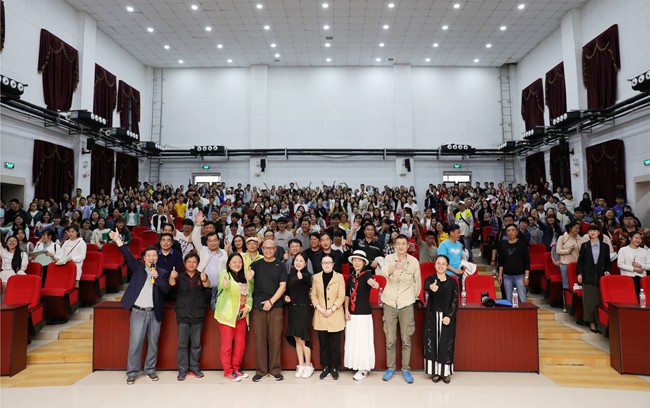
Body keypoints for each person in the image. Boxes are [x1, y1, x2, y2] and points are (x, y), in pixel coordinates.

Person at [109, 228, 171, 385]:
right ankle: (132, 372)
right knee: (135, 343)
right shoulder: (138, 268)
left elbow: (166, 289)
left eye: (154, 255)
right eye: (148, 256)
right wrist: (118, 240)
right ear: (144, 258)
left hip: (155, 313)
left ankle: (150, 370)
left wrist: (157, 278)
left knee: (153, 343)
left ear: (157, 257)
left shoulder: (162, 272)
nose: (151, 258)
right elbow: (127, 255)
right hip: (138, 312)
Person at [378, 234, 421, 384]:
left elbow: (417, 284)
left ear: (408, 246)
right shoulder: (389, 259)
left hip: (406, 304)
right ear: (395, 245)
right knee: (390, 339)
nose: (401, 246)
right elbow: (383, 274)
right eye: (398, 244)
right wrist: (393, 268)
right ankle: (390, 368)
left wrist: (410, 298)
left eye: (404, 244)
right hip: (389, 303)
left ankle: (406, 370)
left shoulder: (414, 262)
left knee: (406, 339)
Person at [169, 253, 210, 381]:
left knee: (196, 344)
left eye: (194, 262)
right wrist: (171, 277)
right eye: (189, 261)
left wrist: (204, 279)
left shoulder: (201, 275)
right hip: (183, 314)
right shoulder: (179, 276)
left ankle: (194, 367)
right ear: (185, 263)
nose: (191, 264)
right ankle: (182, 369)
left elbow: (207, 285)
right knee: (182, 344)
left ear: (198, 264)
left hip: (198, 314)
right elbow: (171, 285)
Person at [250, 239, 287, 382]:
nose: (268, 250)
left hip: (276, 306)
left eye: (271, 248)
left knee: (275, 338)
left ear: (275, 249)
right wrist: (248, 277)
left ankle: (275, 370)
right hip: (258, 306)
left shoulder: (281, 265)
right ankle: (261, 371)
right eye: (265, 248)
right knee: (260, 338)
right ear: (262, 249)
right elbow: (247, 280)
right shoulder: (255, 265)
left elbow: (282, 286)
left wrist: (271, 302)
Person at [215, 253, 254, 381]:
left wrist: (247, 307)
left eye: (239, 262)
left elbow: (250, 296)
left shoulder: (245, 276)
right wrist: (224, 283)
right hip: (227, 315)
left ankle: (236, 368)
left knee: (240, 344)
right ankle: (228, 371)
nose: (237, 264)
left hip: (242, 314)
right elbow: (223, 284)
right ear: (229, 263)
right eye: (234, 262)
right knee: (227, 345)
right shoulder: (225, 274)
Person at [344, 250, 380, 381]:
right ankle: (355, 364)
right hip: (352, 313)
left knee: (363, 341)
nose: (357, 263)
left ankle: (364, 368)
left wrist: (374, 284)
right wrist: (346, 310)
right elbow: (347, 295)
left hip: (364, 313)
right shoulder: (351, 277)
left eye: (359, 260)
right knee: (353, 340)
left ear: (364, 263)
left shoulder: (367, 274)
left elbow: (371, 281)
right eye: (355, 260)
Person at [423, 255, 458, 384]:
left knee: (445, 344)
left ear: (447, 266)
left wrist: (449, 316)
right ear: (434, 264)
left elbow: (455, 300)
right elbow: (426, 287)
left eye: (444, 264)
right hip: (432, 317)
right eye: (438, 263)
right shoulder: (430, 279)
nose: (441, 266)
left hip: (446, 317)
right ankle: (436, 372)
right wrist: (431, 288)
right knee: (433, 343)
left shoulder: (452, 281)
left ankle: (445, 372)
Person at [311, 254, 345, 380]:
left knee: (335, 344)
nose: (327, 265)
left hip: (335, 314)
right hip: (321, 314)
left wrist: (332, 309)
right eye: (324, 263)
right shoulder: (316, 277)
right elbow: (314, 295)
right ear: (321, 264)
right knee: (323, 344)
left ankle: (334, 367)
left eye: (329, 262)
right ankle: (325, 366)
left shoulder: (339, 277)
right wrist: (319, 308)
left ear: (333, 264)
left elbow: (341, 296)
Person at [283, 253, 314, 379]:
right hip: (293, 308)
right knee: (296, 337)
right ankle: (301, 364)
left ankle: (308, 365)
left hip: (303, 308)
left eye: (301, 261)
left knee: (303, 337)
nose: (298, 263)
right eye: (296, 260)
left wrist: (302, 277)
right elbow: (288, 291)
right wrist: (286, 297)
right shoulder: (290, 275)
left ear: (305, 263)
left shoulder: (307, 275)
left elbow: (307, 284)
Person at [577, 225, 611, 333]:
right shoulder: (585, 245)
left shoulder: (605, 246)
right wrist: (579, 273)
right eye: (590, 231)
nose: (592, 232)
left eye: (595, 230)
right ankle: (591, 322)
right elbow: (580, 261)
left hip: (601, 275)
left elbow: (608, 261)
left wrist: (608, 270)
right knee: (589, 301)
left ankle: (599, 322)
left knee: (599, 300)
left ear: (599, 232)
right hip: (588, 275)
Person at [497, 224, 530, 303]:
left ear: (516, 232)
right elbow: (501, 261)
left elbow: (527, 261)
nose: (511, 232)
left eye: (513, 230)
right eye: (508, 231)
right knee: (508, 299)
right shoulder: (503, 244)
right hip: (507, 276)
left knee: (522, 298)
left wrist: (526, 277)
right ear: (506, 233)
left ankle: (524, 311)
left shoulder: (522, 245)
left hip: (520, 276)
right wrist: (500, 275)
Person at [556, 221, 581, 311]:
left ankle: (575, 305)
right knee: (566, 285)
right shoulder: (562, 238)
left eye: (578, 228)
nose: (577, 230)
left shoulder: (580, 239)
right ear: (570, 228)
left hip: (577, 265)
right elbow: (558, 251)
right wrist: (568, 251)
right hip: (566, 264)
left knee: (577, 285)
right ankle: (566, 304)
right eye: (575, 228)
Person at [617, 231, 649, 298]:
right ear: (630, 238)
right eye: (636, 238)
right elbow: (620, 264)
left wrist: (641, 266)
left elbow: (649, 266)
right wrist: (633, 269)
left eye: (640, 238)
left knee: (641, 298)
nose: (638, 240)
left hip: (641, 278)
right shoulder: (623, 250)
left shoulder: (644, 251)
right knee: (629, 297)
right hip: (627, 277)